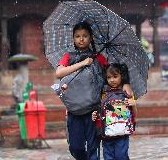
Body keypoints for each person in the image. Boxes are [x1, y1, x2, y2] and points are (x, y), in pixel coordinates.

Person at [56, 21, 133, 160]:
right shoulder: (69, 56)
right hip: (74, 110)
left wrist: (126, 83)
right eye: (77, 36)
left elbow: (114, 73)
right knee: (76, 147)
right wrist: (83, 63)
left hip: (94, 110)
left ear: (90, 38)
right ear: (73, 38)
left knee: (93, 148)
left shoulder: (99, 58)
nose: (81, 39)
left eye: (85, 35)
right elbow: (59, 73)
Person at [92, 63, 137, 160]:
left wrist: (133, 104)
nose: (112, 80)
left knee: (121, 156)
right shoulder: (104, 93)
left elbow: (134, 114)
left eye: (115, 76)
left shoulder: (127, 92)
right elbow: (101, 111)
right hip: (107, 133)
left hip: (122, 132)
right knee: (108, 157)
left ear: (122, 76)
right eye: (109, 77)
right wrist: (95, 115)